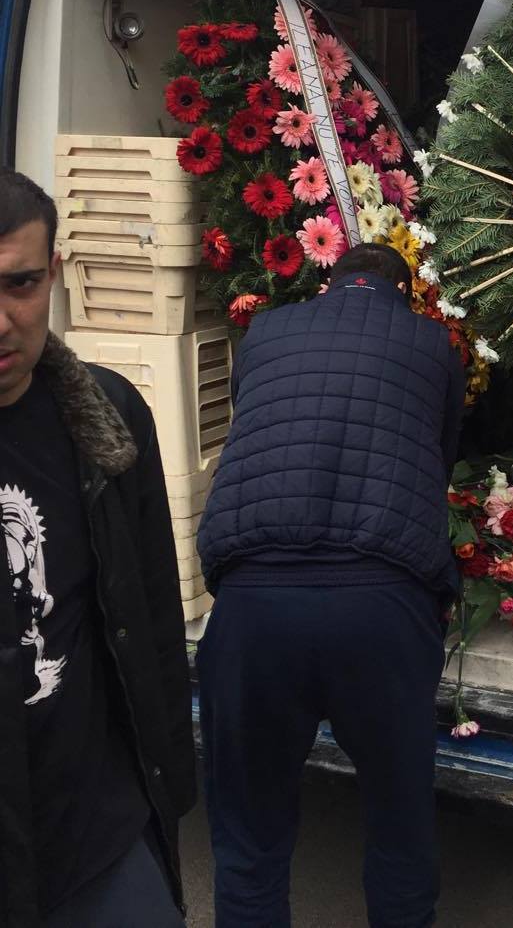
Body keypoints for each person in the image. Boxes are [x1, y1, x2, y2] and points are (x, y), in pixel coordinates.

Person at [197, 242, 466, 928]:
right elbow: (438, 455)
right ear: (403, 294)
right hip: (381, 603)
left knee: (249, 837)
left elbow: (256, 420)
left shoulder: (264, 332)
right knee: (400, 823)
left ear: (328, 285)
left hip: (253, 604)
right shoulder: (433, 344)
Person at [0, 168, 196, 928]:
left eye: (19, 285)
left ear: (53, 273)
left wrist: (168, 782)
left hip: (98, 836)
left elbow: (150, 613)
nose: (1, 321)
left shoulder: (107, 418)